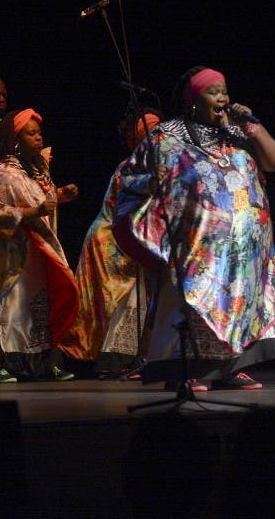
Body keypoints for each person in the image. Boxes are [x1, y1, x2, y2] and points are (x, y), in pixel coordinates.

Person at [113, 66, 275, 390]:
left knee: (236, 302)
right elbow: (131, 178)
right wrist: (154, 183)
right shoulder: (167, 136)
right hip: (196, 244)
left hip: (244, 247)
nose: (222, 98)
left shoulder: (238, 133)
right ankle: (187, 369)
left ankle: (231, 367)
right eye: (213, 92)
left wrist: (252, 126)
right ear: (193, 100)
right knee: (195, 301)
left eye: (224, 91)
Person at [0, 108, 80, 381]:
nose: (39, 138)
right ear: (16, 140)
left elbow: (40, 203)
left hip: (38, 253)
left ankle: (45, 364)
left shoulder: (35, 172)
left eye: (39, 133)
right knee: (13, 307)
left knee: (38, 307)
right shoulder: (3, 174)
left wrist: (60, 196)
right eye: (31, 133)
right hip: (15, 255)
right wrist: (35, 211)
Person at [70, 109, 162, 377]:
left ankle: (129, 359)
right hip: (112, 238)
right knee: (120, 300)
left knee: (135, 298)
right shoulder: (131, 167)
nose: (158, 138)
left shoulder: (148, 165)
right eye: (151, 133)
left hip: (131, 239)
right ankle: (112, 361)